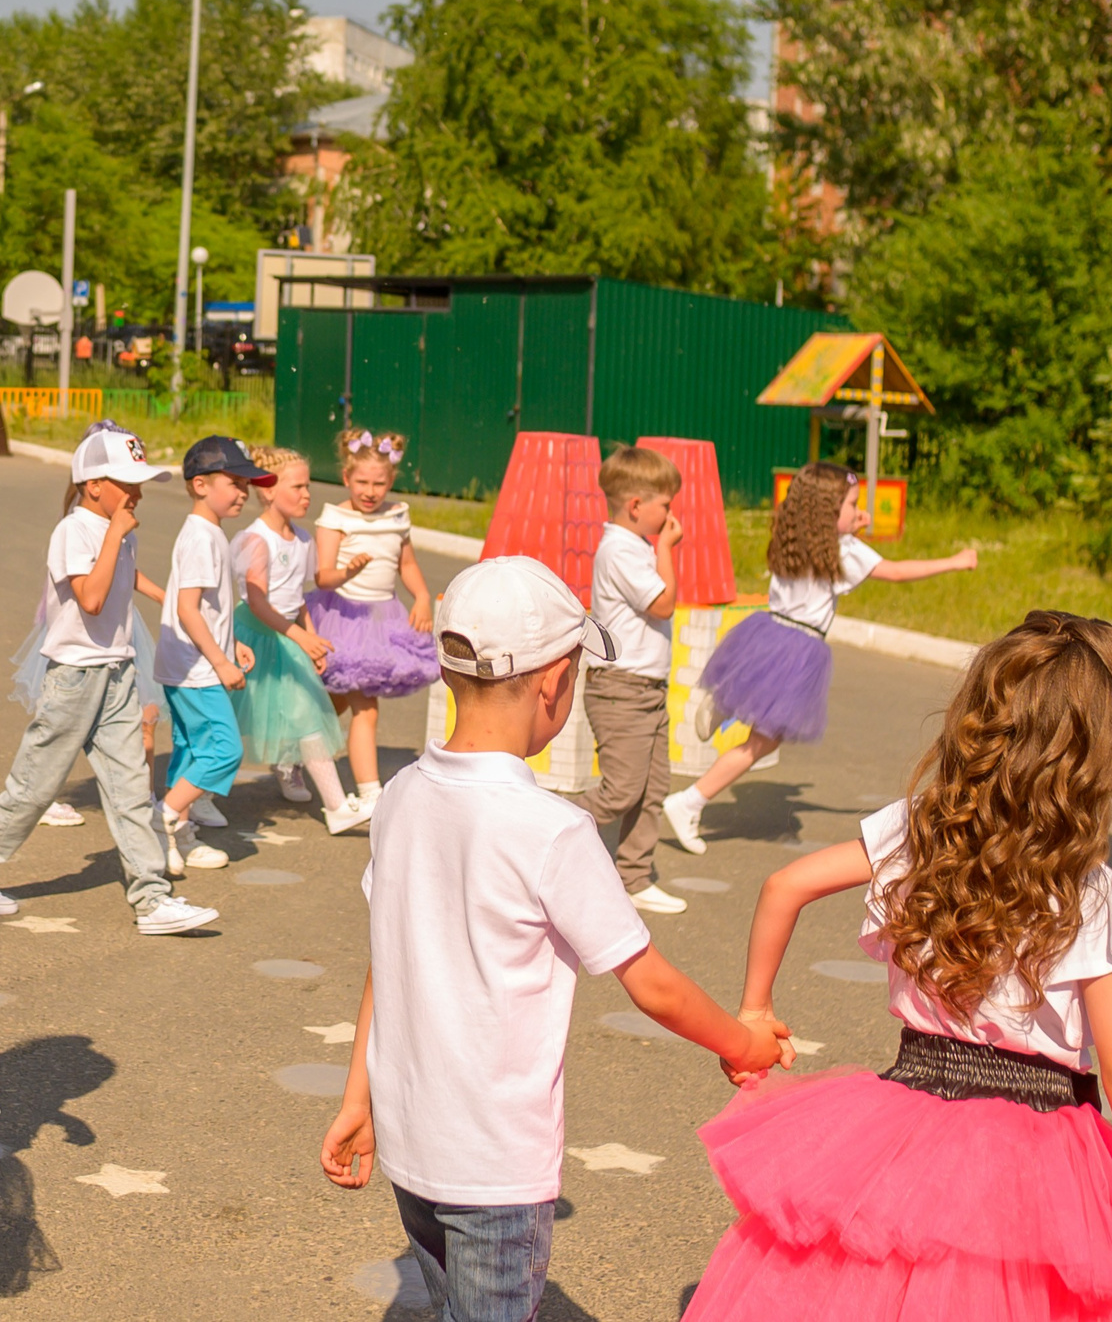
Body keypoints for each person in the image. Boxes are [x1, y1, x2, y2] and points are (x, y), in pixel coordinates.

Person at [679, 612, 1112, 1322]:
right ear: (1097, 750)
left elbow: (785, 885)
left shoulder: (922, 831)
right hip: (1038, 1152)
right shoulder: (1095, 901)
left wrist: (755, 1010)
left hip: (906, 1120)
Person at [318, 557, 785, 1322]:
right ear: (554, 683)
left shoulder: (399, 796)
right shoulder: (554, 829)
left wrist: (358, 1096)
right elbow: (653, 984)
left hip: (412, 1145)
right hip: (495, 1168)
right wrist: (744, 1043)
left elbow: (387, 956)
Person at [0, 423, 218, 936]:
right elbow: (90, 598)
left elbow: (122, 577)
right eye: (127, 482)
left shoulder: (116, 527)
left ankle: (152, 897)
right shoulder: (75, 530)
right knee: (36, 786)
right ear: (94, 484)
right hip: (74, 675)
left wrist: (164, 600)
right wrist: (116, 533)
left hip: (116, 670)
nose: (137, 493)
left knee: (132, 786)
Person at [665, 462, 976, 856]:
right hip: (799, 648)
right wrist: (954, 561)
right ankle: (690, 800)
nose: (857, 511)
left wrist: (852, 521)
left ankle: (723, 703)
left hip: (768, 630)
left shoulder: (795, 535)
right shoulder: (843, 552)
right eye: (852, 504)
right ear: (829, 511)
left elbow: (841, 532)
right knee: (763, 740)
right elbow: (895, 571)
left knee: (758, 711)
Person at [154, 435, 272, 877]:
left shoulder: (209, 532)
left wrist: (230, 645)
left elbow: (208, 607)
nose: (243, 491)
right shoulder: (202, 537)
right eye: (234, 481)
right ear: (200, 485)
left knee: (191, 750)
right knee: (223, 749)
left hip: (189, 662)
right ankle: (162, 818)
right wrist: (220, 662)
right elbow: (187, 608)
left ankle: (179, 833)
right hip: (195, 668)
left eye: (246, 484)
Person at [308, 427, 441, 809]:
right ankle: (370, 793)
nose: (369, 491)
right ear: (346, 478)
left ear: (391, 481)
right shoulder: (334, 518)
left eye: (379, 484)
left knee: (336, 703)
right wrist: (347, 572)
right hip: (343, 618)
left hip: (382, 618)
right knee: (364, 705)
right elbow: (323, 575)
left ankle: (300, 749)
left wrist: (421, 596)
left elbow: (407, 563)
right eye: (361, 482)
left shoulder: (397, 517)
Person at [235, 445, 364, 834]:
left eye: (308, 486)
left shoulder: (304, 539)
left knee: (307, 713)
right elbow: (257, 601)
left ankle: (336, 806)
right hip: (253, 638)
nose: (307, 494)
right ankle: (200, 795)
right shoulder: (255, 540)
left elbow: (298, 598)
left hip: (288, 637)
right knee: (234, 715)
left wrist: (311, 638)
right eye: (299, 487)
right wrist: (298, 637)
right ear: (269, 490)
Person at [582, 446, 686, 914]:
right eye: (665, 504)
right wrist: (666, 549)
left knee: (652, 788)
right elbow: (662, 604)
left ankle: (633, 876)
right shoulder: (621, 550)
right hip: (621, 687)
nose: (670, 514)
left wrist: (657, 548)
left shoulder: (633, 548)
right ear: (636, 506)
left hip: (645, 688)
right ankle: (543, 828)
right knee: (622, 789)